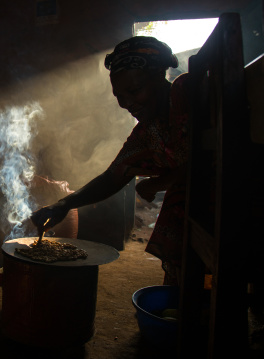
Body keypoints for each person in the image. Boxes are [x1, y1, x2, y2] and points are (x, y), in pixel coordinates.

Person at [31, 36, 190, 285]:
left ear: (160, 75)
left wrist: (165, 181)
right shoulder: (147, 132)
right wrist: (62, 204)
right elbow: (113, 176)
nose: (126, 103)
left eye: (134, 91)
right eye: (119, 95)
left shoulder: (186, 93)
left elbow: (220, 154)